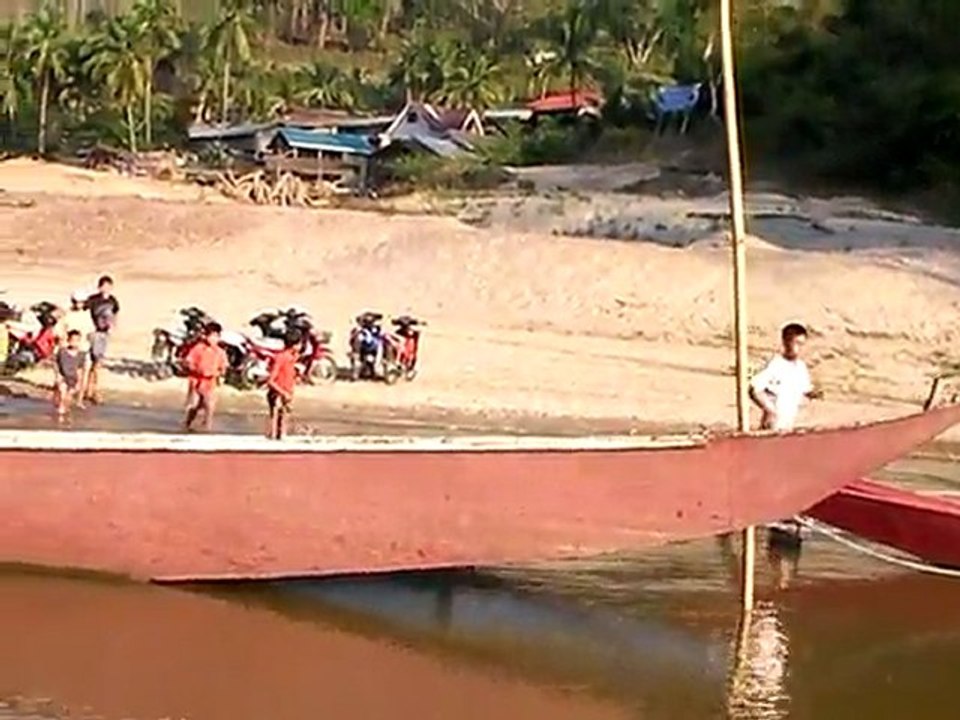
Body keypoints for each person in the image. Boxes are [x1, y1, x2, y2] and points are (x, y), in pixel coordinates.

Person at [749, 323, 822, 431]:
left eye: (802, 344)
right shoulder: (776, 364)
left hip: (788, 425)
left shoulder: (800, 367)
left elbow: (805, 388)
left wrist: (814, 393)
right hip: (773, 427)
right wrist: (770, 410)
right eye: (796, 343)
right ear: (786, 342)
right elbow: (754, 389)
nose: (799, 348)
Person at [183, 321, 228, 432]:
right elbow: (188, 362)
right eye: (211, 336)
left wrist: (219, 373)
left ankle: (207, 427)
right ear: (206, 336)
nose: (213, 339)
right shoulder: (198, 348)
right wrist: (196, 369)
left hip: (211, 382)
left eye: (216, 336)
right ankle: (188, 423)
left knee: (210, 405)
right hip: (197, 380)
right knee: (194, 405)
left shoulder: (220, 352)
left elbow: (224, 367)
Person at [82, 275, 120, 404]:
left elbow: (115, 314)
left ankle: (92, 390)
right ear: (99, 287)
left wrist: (113, 327)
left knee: (97, 363)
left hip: (104, 334)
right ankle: (88, 390)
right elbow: (84, 311)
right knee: (91, 362)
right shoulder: (93, 300)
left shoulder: (113, 301)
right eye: (104, 286)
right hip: (93, 332)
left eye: (108, 286)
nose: (106, 289)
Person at [266, 330, 301, 440]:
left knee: (285, 418)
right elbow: (271, 381)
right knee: (275, 418)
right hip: (278, 393)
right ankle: (273, 437)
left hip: (287, 392)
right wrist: (283, 393)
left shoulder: (293, 357)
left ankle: (282, 436)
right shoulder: (281, 357)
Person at [53, 329, 88, 420]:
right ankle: (60, 413)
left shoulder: (81, 355)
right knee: (62, 394)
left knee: (68, 398)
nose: (75, 343)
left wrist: (80, 383)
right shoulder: (62, 352)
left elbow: (80, 370)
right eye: (72, 340)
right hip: (63, 377)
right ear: (68, 340)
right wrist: (57, 376)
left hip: (74, 379)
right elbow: (56, 364)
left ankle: (66, 410)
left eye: (77, 341)